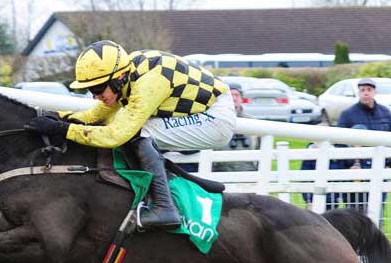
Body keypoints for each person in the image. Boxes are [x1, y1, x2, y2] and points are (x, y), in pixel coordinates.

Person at [23, 40, 235, 231]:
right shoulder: (125, 75)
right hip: (200, 111)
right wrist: (58, 118)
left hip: (215, 118)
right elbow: (94, 116)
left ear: (119, 78)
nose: (95, 95)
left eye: (97, 88)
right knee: (131, 129)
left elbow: (116, 136)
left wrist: (62, 129)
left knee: (140, 131)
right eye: (90, 90)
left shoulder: (148, 83)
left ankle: (164, 207)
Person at [333, 77, 391, 213]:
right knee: (355, 212)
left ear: (375, 92)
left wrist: (390, 163)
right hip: (356, 172)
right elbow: (339, 142)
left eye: (369, 90)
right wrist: (350, 164)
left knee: (377, 209)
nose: (366, 93)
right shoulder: (347, 114)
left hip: (380, 167)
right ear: (358, 92)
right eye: (362, 90)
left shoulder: (385, 113)